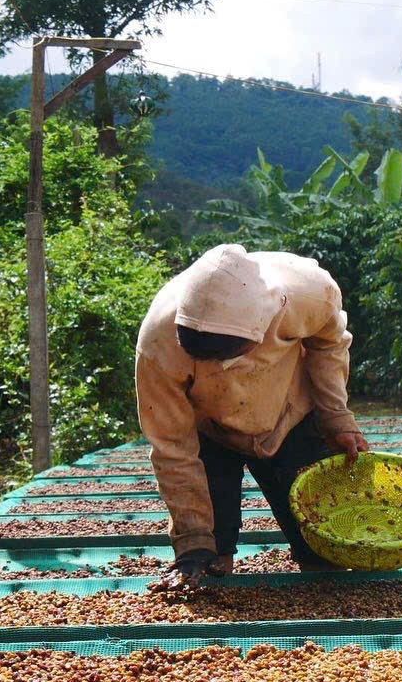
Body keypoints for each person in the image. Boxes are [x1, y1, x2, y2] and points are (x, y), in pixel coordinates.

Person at [135, 244, 368, 590]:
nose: (213, 365)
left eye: (221, 354)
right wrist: (193, 543)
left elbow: (329, 345)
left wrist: (336, 418)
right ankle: (213, 575)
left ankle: (326, 600)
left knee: (323, 547)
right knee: (209, 557)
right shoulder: (158, 345)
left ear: (260, 328)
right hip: (209, 431)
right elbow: (172, 446)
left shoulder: (309, 292)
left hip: (290, 417)